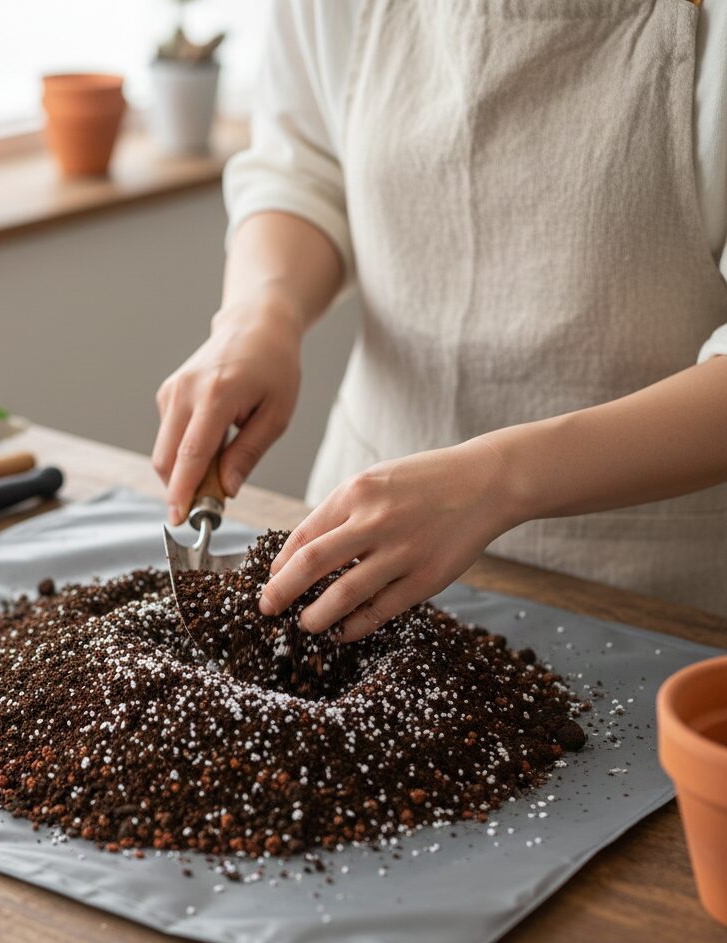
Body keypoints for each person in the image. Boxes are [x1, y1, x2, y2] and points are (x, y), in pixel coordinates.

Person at [153, 0, 727, 639]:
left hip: (651, 591)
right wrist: (262, 311)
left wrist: (498, 480)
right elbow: (307, 168)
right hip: (357, 555)